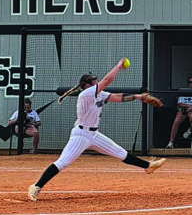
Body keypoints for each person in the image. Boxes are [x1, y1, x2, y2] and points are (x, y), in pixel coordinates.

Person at [28, 59, 166, 201]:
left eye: (95, 81)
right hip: (81, 135)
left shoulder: (99, 94)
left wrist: (138, 97)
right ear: (86, 85)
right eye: (93, 82)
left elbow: (117, 97)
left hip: (93, 134)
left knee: (120, 153)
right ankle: (36, 186)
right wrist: (118, 66)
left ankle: (148, 166)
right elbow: (107, 80)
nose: (96, 83)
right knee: (62, 163)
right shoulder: (86, 94)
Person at [167, 75, 192, 148]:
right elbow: (179, 103)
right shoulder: (184, 91)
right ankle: (171, 142)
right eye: (190, 82)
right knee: (176, 121)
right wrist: (187, 106)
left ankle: (189, 131)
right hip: (184, 110)